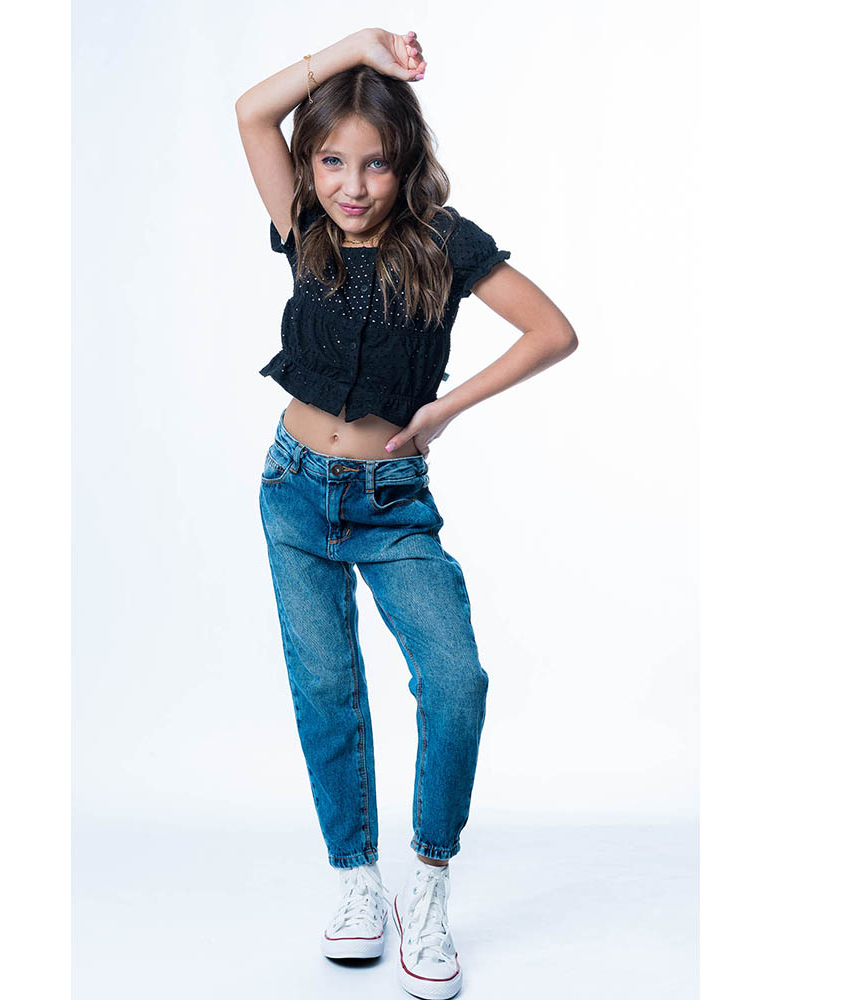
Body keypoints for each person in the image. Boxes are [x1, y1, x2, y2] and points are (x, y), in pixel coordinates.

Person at [236, 27, 578, 1000]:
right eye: (331, 161)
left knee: (454, 680)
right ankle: (355, 881)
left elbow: (552, 331)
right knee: (326, 690)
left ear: (405, 162)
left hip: (390, 503)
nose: (352, 185)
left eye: (375, 163)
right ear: (310, 164)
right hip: (292, 490)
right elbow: (251, 112)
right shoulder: (302, 224)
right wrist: (354, 49)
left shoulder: (442, 241)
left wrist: (444, 410)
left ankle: (425, 883)